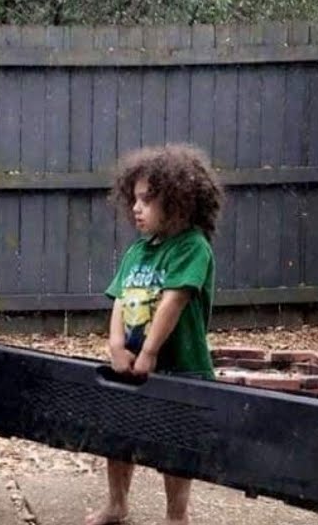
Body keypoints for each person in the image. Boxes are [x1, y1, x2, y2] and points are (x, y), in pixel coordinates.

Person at [87, 144, 225, 525]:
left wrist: (150, 351)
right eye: (134, 199)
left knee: (175, 446)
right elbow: (119, 299)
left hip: (181, 365)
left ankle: (176, 516)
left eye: (147, 200)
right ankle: (117, 504)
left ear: (179, 202)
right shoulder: (138, 251)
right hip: (131, 363)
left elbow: (173, 301)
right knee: (117, 434)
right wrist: (116, 345)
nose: (136, 208)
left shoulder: (193, 247)